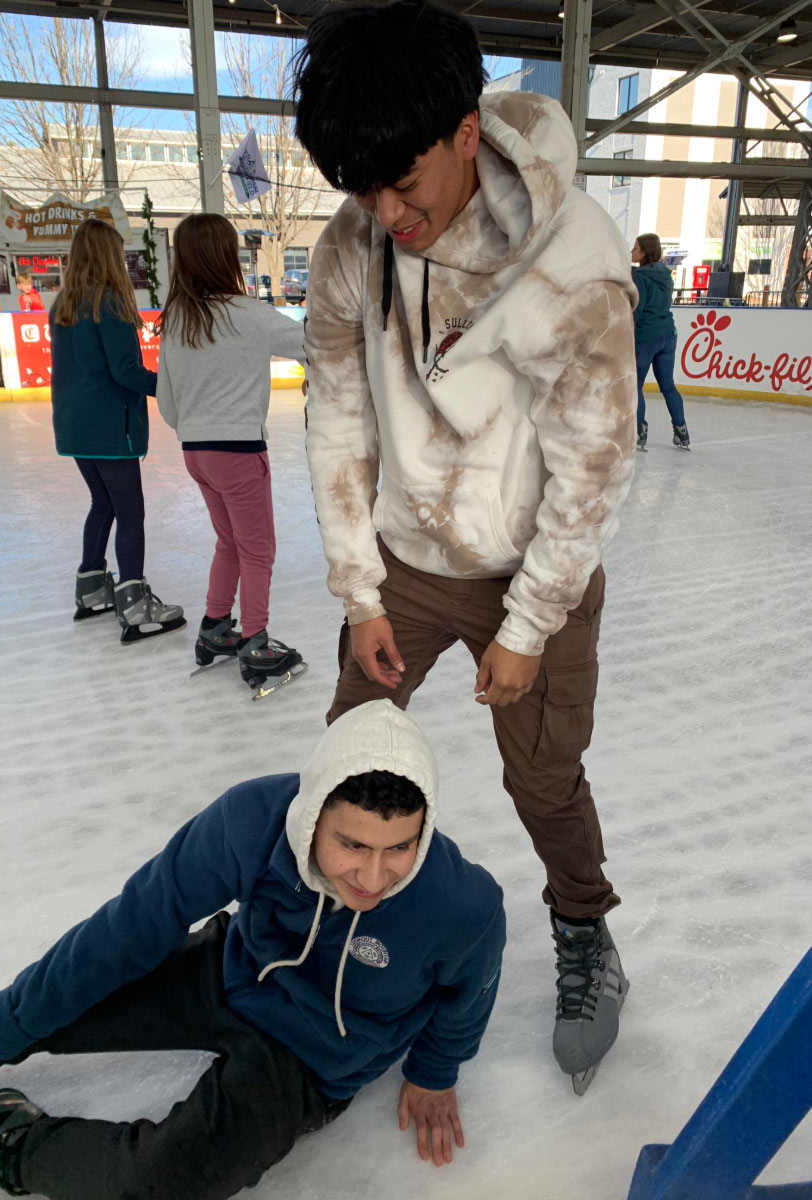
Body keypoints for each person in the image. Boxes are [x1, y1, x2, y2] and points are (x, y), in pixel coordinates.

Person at [295, 0, 635, 1092]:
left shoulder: (573, 260)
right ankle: (330, 914)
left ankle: (583, 923)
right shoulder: (352, 246)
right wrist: (360, 591)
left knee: (543, 777)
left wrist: (530, 626)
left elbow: (593, 464)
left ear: (464, 129)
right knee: (352, 749)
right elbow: (338, 419)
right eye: (361, 190)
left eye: (404, 183)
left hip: (531, 570)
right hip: (405, 563)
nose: (385, 213)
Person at [0, 700, 505, 1200]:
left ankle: (4, 1140)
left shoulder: (461, 904)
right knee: (38, 1007)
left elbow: (468, 995)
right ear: (311, 815)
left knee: (162, 1182)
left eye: (399, 847)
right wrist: (0, 1025)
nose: (373, 878)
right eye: (351, 845)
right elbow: (130, 928)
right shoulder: (252, 821)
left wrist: (434, 1072)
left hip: (311, 1061)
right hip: (229, 972)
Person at [155, 213, 308, 697]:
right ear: (227, 257)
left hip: (196, 452)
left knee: (230, 542)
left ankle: (216, 626)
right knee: (258, 549)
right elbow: (313, 343)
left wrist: (197, 428)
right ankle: (255, 642)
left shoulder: (176, 320)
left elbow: (167, 401)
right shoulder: (247, 313)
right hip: (238, 450)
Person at [50, 218, 185, 641]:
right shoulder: (109, 303)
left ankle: (92, 586)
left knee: (102, 503)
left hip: (74, 425)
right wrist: (172, 387)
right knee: (129, 510)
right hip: (110, 426)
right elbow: (126, 371)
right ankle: (134, 602)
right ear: (110, 257)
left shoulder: (63, 305)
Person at [631, 233, 690, 451]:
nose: (631, 252)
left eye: (635, 248)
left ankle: (640, 430)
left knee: (635, 385)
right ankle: (682, 431)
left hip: (646, 337)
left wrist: (627, 333)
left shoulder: (640, 277)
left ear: (644, 252)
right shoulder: (666, 274)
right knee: (668, 386)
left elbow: (638, 310)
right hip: (668, 335)